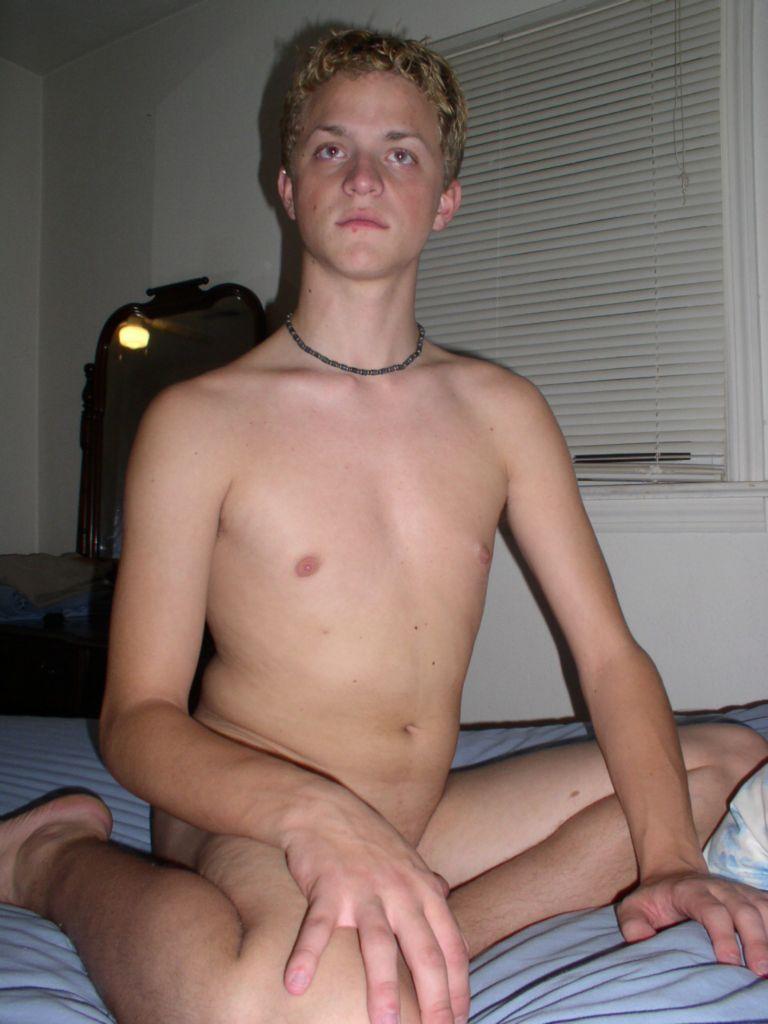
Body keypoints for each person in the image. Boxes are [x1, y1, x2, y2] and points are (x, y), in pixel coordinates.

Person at [1, 27, 767, 1024]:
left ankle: (414, 931)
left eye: (401, 153)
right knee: (287, 1003)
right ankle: (52, 860)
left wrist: (667, 862)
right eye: (332, 148)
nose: (364, 177)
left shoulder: (503, 413)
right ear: (288, 187)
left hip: (419, 815)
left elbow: (610, 657)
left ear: (445, 198)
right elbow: (137, 718)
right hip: (247, 813)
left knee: (722, 769)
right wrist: (311, 813)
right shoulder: (200, 422)